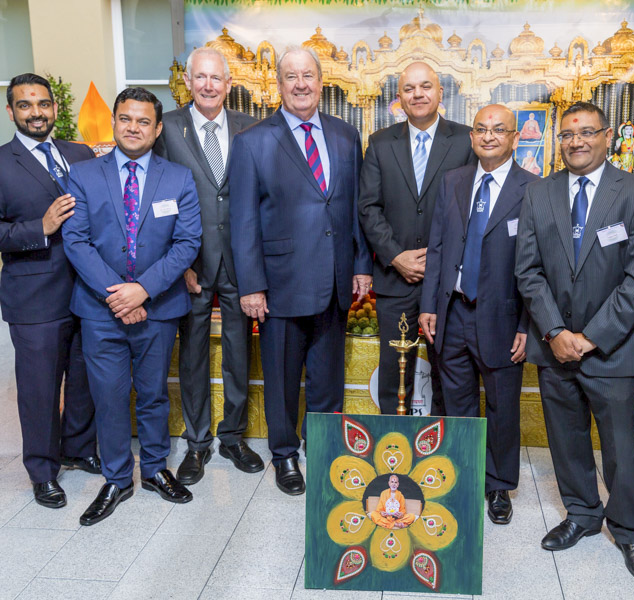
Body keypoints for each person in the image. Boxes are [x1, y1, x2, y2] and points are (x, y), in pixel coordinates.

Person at [515, 101, 634, 583]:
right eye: (568, 134)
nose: (576, 141)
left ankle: (629, 530)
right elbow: (527, 270)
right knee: (565, 437)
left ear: (607, 136)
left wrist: (591, 337)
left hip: (612, 348)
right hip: (553, 346)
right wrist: (556, 332)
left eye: (587, 132)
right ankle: (581, 514)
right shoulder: (539, 192)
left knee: (620, 447)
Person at [229, 47, 372, 495]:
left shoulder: (346, 135)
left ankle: (324, 446)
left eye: (308, 75)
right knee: (283, 379)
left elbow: (355, 207)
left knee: (328, 377)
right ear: (278, 84)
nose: (301, 84)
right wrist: (251, 285)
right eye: (291, 76)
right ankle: (285, 454)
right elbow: (243, 221)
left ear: (321, 80)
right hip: (281, 284)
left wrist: (361, 265)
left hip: (335, 280)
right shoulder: (253, 141)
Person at [63, 87, 202, 525]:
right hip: (99, 309)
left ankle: (156, 469)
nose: (133, 128)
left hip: (158, 307)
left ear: (157, 129)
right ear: (114, 122)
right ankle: (117, 478)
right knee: (109, 397)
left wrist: (142, 290)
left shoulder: (178, 178)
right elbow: (76, 241)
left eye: (144, 121)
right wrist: (119, 295)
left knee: (154, 394)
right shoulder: (83, 175)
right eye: (126, 119)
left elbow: (187, 243)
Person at [0, 73, 99, 509]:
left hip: (88, 291)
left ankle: (78, 448)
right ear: (11, 111)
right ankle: (42, 470)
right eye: (25, 105)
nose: (36, 113)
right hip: (34, 299)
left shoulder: (80, 154)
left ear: (55, 107)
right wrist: (41, 227)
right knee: (39, 389)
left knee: (84, 379)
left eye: (43, 104)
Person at [419, 104, 538, 525]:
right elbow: (437, 247)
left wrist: (528, 324)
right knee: (456, 404)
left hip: (504, 319)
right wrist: (429, 304)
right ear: (472, 137)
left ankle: (499, 485)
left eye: (499, 130)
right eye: (482, 129)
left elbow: (538, 264)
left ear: (515, 138)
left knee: (502, 408)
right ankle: (462, 477)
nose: (489, 136)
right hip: (452, 313)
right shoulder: (453, 181)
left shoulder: (533, 189)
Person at [154, 47, 260, 485]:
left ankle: (233, 436)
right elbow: (157, 199)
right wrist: (176, 263)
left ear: (229, 84)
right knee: (194, 356)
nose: (208, 86)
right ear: (188, 81)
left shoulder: (250, 127)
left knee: (239, 353)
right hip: (190, 265)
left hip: (240, 262)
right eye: (201, 77)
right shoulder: (167, 128)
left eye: (217, 78)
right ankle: (197, 443)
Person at [358, 61, 474, 416]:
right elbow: (368, 207)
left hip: (449, 282)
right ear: (399, 97)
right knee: (395, 371)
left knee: (450, 373)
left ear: (440, 92)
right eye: (409, 89)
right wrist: (396, 256)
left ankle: (441, 440)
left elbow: (475, 208)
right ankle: (394, 441)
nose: (418, 94)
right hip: (396, 279)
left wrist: (442, 261)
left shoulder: (466, 140)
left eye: (425, 86)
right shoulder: (380, 143)